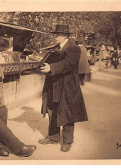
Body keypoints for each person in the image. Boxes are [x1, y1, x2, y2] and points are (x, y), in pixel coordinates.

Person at [38, 24, 88, 152]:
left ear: (64, 36)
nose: (55, 37)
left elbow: (68, 64)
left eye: (57, 35)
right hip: (54, 83)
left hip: (67, 85)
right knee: (52, 110)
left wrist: (51, 68)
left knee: (67, 112)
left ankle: (67, 141)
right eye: (55, 34)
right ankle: (53, 137)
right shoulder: (57, 47)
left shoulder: (74, 48)